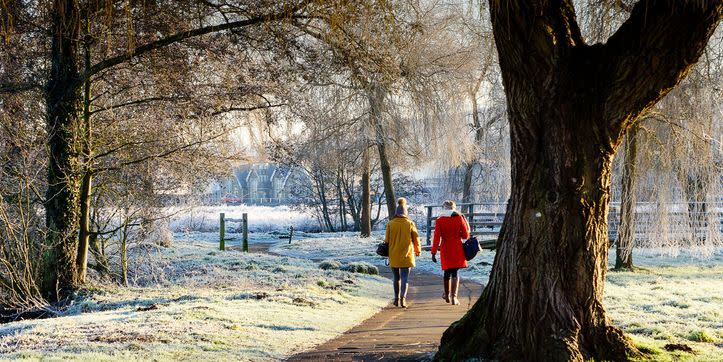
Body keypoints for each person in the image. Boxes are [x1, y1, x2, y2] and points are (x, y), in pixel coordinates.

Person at [431, 200, 470, 305]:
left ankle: (447, 294)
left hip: (445, 248)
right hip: (457, 247)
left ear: (444, 208)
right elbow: (466, 236)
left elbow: (436, 238)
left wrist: (433, 252)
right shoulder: (459, 218)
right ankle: (454, 297)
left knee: (447, 272)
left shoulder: (439, 220)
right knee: (455, 273)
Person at [384, 197, 421, 308]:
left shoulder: (390, 224)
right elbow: (416, 238)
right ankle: (403, 300)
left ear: (396, 212)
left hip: (394, 254)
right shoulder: (410, 223)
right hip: (407, 254)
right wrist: (418, 250)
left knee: (396, 278)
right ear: (406, 212)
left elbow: (387, 240)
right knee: (405, 278)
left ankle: (396, 299)